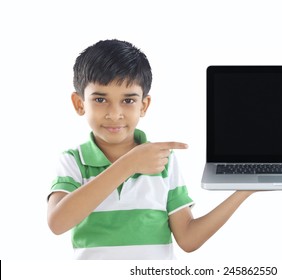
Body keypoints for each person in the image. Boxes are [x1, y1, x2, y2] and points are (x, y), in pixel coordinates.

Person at [47, 39, 255, 260]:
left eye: (128, 100)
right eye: (100, 99)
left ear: (143, 105)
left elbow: (188, 239)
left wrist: (244, 190)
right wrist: (129, 164)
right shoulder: (73, 161)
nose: (115, 113)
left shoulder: (163, 160)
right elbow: (57, 223)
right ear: (80, 103)